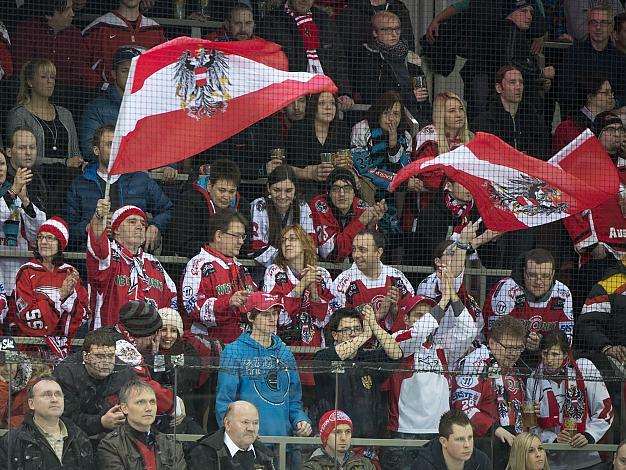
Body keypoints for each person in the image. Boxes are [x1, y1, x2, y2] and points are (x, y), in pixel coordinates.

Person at [384, 281, 479, 468]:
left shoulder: (443, 348)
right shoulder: (398, 341)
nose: (424, 319)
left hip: (438, 434)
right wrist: (442, 304)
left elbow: (469, 331)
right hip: (404, 434)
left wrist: (452, 296)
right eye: (418, 315)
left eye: (428, 315)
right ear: (406, 319)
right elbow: (418, 333)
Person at [215, 292, 312, 438]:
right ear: (250, 317)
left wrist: (301, 420)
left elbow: (294, 401)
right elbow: (224, 403)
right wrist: (235, 438)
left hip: (284, 445)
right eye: (265, 314)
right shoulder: (233, 351)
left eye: (274, 313)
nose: (272, 319)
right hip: (247, 445)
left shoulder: (285, 353)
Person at [66, 124, 173, 251]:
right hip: (92, 260)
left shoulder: (140, 179)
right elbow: (68, 231)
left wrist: (156, 226)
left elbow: (168, 210)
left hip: (134, 258)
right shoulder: (80, 184)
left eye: (119, 145)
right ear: (96, 150)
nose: (115, 149)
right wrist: (89, 228)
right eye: (110, 144)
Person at [563, 111, 626, 311]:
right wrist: (591, 245)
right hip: (599, 255)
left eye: (620, 130)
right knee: (590, 308)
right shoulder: (583, 167)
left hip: (624, 256)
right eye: (610, 130)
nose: (617, 134)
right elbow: (569, 208)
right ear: (597, 135)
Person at [526, 330, 613, 470]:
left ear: (565, 354)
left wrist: (589, 435)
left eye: (555, 354)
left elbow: (605, 411)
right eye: (545, 353)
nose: (549, 359)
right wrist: (553, 439)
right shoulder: (533, 380)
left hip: (589, 459)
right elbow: (531, 425)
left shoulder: (585, 368)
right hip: (552, 462)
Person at [314, 305, 402, 440]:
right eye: (346, 330)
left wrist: (374, 325)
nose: (353, 333)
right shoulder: (323, 357)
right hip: (333, 440)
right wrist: (366, 335)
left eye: (357, 329)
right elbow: (333, 356)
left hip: (368, 441)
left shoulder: (369, 358)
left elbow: (396, 355)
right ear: (335, 335)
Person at [6, 59, 84, 211]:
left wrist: (78, 162)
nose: (50, 82)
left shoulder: (65, 114)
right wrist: (64, 162)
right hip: (34, 180)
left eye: (52, 77)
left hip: (66, 181)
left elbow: (75, 154)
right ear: (30, 81)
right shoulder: (19, 114)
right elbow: (19, 155)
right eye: (43, 77)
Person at [452, 316, 528, 470]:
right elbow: (462, 406)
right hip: (484, 447)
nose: (514, 354)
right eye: (509, 348)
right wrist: (494, 428)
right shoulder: (476, 362)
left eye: (518, 348)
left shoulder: (511, 367)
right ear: (492, 342)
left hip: (512, 447)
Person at [86, 200, 177, 328]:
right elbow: (97, 245)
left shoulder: (153, 262)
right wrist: (99, 217)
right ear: (116, 230)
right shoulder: (109, 256)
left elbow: (171, 298)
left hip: (147, 342)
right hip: (110, 340)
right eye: (132, 222)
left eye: (143, 223)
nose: (140, 226)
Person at [12, 216, 90, 359]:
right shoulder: (26, 272)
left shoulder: (70, 273)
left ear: (60, 243)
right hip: (30, 349)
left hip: (65, 350)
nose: (43, 242)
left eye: (50, 238)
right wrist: (60, 296)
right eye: (40, 237)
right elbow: (25, 316)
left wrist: (68, 299)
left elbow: (83, 315)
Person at [482, 248, 574, 359]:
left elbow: (566, 340)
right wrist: (524, 341)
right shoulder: (506, 290)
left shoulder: (563, 293)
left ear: (553, 273)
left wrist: (543, 342)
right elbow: (494, 337)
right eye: (532, 275)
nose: (539, 282)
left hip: (544, 357)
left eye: (545, 276)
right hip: (506, 356)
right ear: (524, 272)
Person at [181, 208, 256, 342]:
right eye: (236, 236)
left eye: (243, 236)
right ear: (219, 235)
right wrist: (228, 303)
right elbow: (193, 307)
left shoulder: (240, 268)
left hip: (241, 345)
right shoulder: (199, 264)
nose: (241, 242)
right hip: (209, 349)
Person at [11, 0, 99, 112]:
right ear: (49, 14)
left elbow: (80, 69)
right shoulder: (27, 32)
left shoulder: (74, 35)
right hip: (32, 98)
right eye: (66, 10)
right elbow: (24, 70)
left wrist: (101, 85)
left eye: (72, 9)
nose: (72, 13)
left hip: (68, 99)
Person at [263, 224, 333, 363]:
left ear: (305, 244)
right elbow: (278, 317)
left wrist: (313, 289)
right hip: (283, 350)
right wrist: (301, 285)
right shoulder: (274, 271)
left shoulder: (322, 274)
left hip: (314, 351)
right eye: (283, 240)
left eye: (292, 239)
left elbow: (324, 320)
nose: (287, 243)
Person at [259, 0, 352, 104]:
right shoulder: (271, 22)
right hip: (292, 99)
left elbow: (337, 58)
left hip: (326, 97)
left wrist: (344, 92)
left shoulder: (323, 19)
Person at [352, 11, 431, 125]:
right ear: (375, 32)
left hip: (415, 120)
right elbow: (370, 95)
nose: (394, 34)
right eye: (388, 30)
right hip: (380, 121)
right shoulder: (367, 57)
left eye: (397, 29)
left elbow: (423, 97)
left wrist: (428, 124)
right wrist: (410, 97)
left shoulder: (411, 57)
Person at [351, 90, 412, 237]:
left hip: (394, 195)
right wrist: (396, 181)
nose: (391, 119)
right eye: (386, 113)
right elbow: (364, 169)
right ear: (378, 112)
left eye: (396, 114)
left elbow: (406, 170)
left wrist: (394, 145)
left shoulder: (406, 136)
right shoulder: (362, 129)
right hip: (367, 189)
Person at [0, 375, 94, 470]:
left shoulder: (79, 437)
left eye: (58, 394)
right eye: (46, 395)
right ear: (31, 403)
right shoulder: (12, 442)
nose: (54, 399)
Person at [330, 229, 414, 330]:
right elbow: (337, 326)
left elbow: (411, 318)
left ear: (378, 252)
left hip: (392, 344)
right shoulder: (343, 283)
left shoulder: (397, 278)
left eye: (362, 250)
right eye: (354, 249)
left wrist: (395, 310)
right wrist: (379, 314)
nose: (356, 255)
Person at [97, 380, 187, 470]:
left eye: (152, 402)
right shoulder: (110, 446)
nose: (149, 408)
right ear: (124, 408)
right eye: (140, 402)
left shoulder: (171, 444)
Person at [558, 5, 626, 118]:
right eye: (594, 22)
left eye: (603, 23)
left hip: (611, 116)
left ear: (611, 27)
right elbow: (566, 92)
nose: (598, 27)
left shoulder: (621, 59)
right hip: (578, 117)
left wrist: (612, 103)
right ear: (588, 26)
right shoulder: (572, 54)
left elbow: (624, 93)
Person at [80, 46, 143, 161]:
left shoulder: (149, 106)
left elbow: (163, 143)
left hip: (143, 176)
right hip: (107, 176)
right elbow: (90, 150)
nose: (130, 76)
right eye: (125, 71)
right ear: (114, 74)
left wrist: (167, 166)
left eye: (134, 71)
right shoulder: (96, 108)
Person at [309, 167, 386, 262]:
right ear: (328, 193)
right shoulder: (318, 207)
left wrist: (371, 226)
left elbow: (373, 253)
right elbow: (330, 254)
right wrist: (361, 222)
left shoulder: (363, 208)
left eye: (347, 188)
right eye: (336, 189)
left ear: (354, 193)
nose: (342, 194)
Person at [168, 158, 240, 258]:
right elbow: (183, 244)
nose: (226, 196)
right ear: (210, 185)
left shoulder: (242, 206)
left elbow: (246, 245)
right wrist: (219, 252)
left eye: (231, 192)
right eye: (222, 190)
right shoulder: (188, 201)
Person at [285, 92, 351, 199]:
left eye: (332, 103)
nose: (328, 107)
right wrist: (311, 173)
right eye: (322, 103)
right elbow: (289, 168)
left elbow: (344, 163)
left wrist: (344, 164)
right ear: (313, 107)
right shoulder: (298, 129)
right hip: (305, 186)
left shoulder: (342, 129)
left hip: (334, 183)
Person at [81, 0, 165, 83]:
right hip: (108, 95)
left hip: (146, 94)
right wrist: (101, 86)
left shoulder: (156, 30)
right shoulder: (98, 28)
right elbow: (78, 64)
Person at [475, 65, 548, 158]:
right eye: (512, 82)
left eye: (521, 82)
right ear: (499, 88)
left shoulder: (534, 118)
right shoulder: (484, 122)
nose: (518, 87)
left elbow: (542, 152)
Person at [249, 165, 315, 267]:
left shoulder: (303, 207)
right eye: (277, 190)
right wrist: (287, 258)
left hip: (297, 268)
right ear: (268, 188)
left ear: (295, 189)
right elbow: (257, 248)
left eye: (288, 191)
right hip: (263, 269)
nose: (282, 196)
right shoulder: (259, 206)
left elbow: (310, 244)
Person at [0, 145, 45, 294]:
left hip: (17, 272)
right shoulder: (12, 191)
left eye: (2, 164)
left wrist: (25, 200)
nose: (0, 168)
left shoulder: (15, 193)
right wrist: (13, 191)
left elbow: (37, 233)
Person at [186, 400, 275, 470]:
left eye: (255, 423)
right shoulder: (204, 453)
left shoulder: (265, 454)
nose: (251, 428)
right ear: (227, 424)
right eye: (245, 422)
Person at [410, 409, 492, 470]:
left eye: (470, 437)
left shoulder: (482, 461)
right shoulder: (423, 465)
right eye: (460, 439)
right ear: (444, 442)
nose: (467, 445)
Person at [552, 77, 616, 153]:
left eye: (611, 92)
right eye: (606, 93)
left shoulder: (616, 124)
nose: (611, 96)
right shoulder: (567, 127)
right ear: (590, 97)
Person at [302, 410, 377, 469]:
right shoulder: (312, 467)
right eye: (337, 432)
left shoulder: (365, 465)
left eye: (348, 432)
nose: (343, 438)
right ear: (325, 437)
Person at [0, 351, 51, 428]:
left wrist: (8, 423)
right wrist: (2, 387)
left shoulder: (36, 384)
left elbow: (40, 418)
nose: (8, 368)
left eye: (12, 362)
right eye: (1, 364)